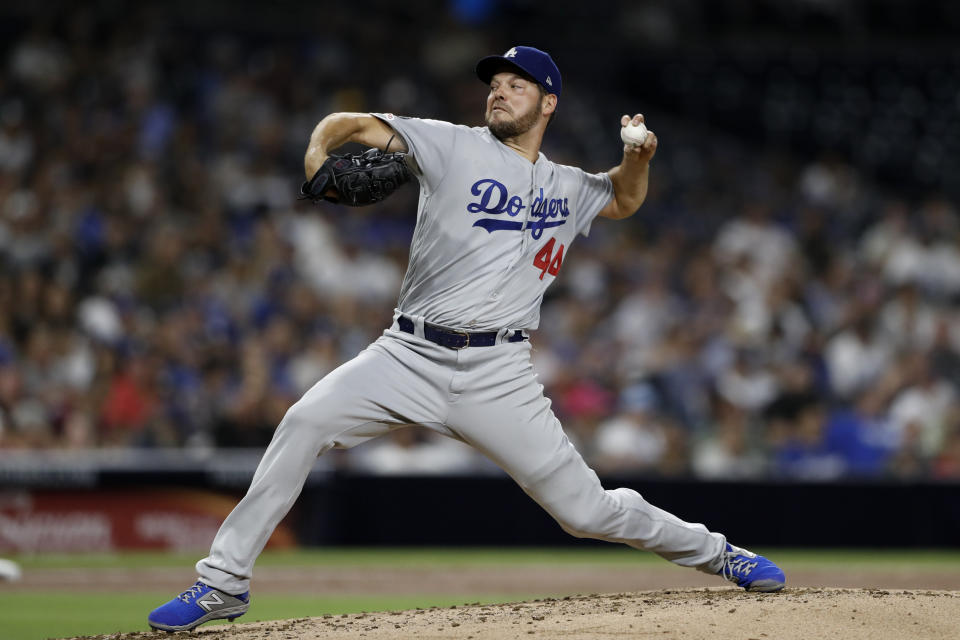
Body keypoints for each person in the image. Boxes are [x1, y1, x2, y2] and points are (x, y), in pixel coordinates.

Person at [148, 45, 785, 633]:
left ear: (549, 102)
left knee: (585, 512)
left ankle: (720, 553)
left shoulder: (567, 187)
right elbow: (353, 124)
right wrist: (317, 152)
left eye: (517, 84)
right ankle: (223, 582)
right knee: (304, 422)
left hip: (499, 373)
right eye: (495, 84)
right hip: (408, 354)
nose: (500, 92)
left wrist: (637, 160)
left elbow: (621, 200)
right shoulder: (449, 144)